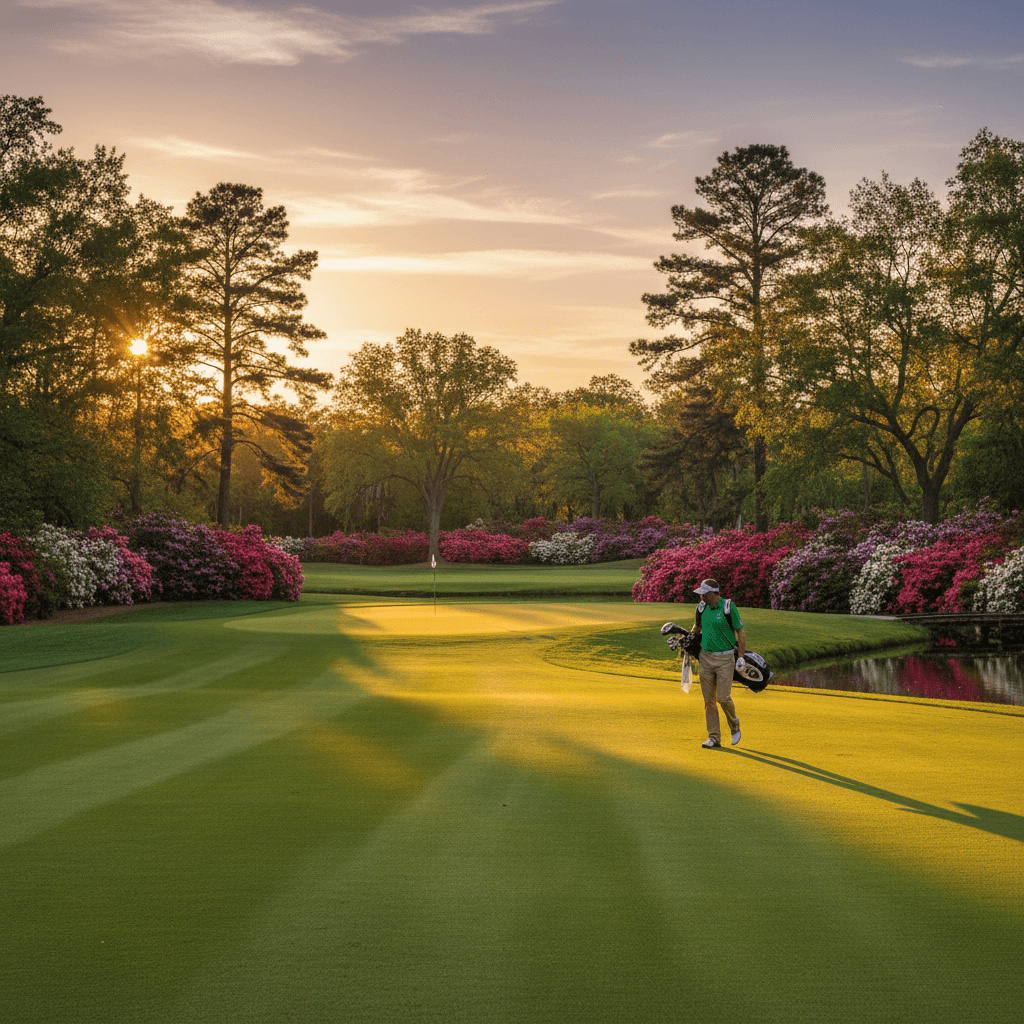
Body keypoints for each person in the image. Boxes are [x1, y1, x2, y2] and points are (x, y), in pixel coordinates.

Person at [693, 578, 745, 749]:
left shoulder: (728, 607)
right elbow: (696, 628)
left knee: (723, 698)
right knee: (709, 700)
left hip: (725, 658)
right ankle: (714, 737)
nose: (701, 598)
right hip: (705, 657)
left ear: (712, 593)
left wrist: (742, 656)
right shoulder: (701, 608)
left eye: (703, 594)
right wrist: (686, 639)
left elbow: (740, 631)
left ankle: (734, 724)